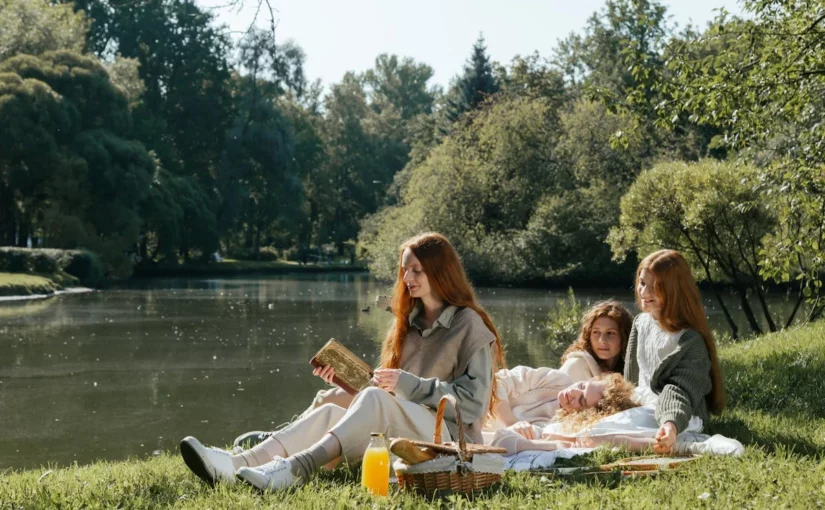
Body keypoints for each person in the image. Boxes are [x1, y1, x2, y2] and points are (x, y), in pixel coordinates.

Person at [178, 232, 506, 491]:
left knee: (373, 399)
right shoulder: (409, 325)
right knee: (328, 413)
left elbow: (473, 407)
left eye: (416, 269)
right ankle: (235, 465)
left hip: (446, 444)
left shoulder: (469, 326)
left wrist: (408, 384)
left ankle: (296, 469)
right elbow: (389, 399)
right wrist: (345, 379)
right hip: (406, 430)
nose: (407, 276)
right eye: (404, 268)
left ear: (440, 272)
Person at [491, 374, 742, 457]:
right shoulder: (558, 383)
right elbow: (497, 382)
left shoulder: (597, 422)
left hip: (544, 439)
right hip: (517, 430)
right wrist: (516, 425)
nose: (573, 396)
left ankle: (685, 446)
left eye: (581, 400)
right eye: (582, 387)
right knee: (502, 442)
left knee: (596, 436)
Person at [625, 249, 725, 454]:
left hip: (680, 416)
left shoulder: (689, 340)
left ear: (674, 290)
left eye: (655, 287)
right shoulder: (640, 323)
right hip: (643, 406)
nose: (644, 292)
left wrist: (670, 424)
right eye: (642, 283)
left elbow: (679, 389)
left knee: (602, 431)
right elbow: (631, 379)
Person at [488, 301, 633, 430]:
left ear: (624, 337)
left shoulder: (565, 423)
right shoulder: (568, 374)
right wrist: (511, 423)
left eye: (610, 333)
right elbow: (497, 382)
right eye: (596, 332)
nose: (602, 340)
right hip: (485, 411)